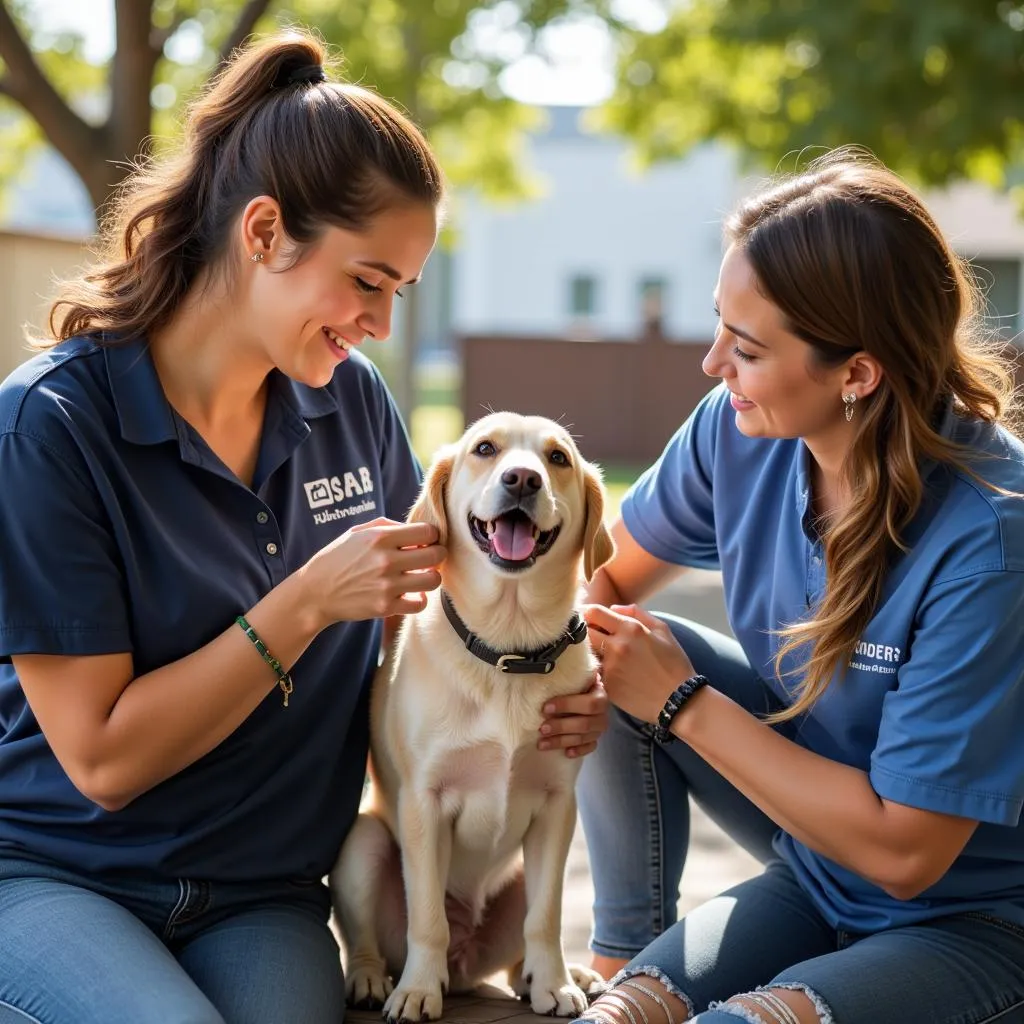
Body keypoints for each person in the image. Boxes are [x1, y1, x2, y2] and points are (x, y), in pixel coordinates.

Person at [0, 32, 605, 1024]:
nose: (380, 324)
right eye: (366, 283)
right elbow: (101, 763)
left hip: (264, 892)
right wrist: (306, 604)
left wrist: (555, 690)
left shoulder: (352, 405)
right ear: (265, 231)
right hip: (63, 872)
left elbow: (454, 612)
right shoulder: (51, 428)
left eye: (399, 294)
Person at [575, 148, 1024, 1024]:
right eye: (719, 327)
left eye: (745, 348)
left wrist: (681, 702)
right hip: (820, 870)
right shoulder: (739, 427)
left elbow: (906, 855)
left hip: (974, 919)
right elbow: (601, 581)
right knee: (617, 1021)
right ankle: (618, 957)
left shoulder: (991, 537)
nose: (712, 365)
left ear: (856, 374)